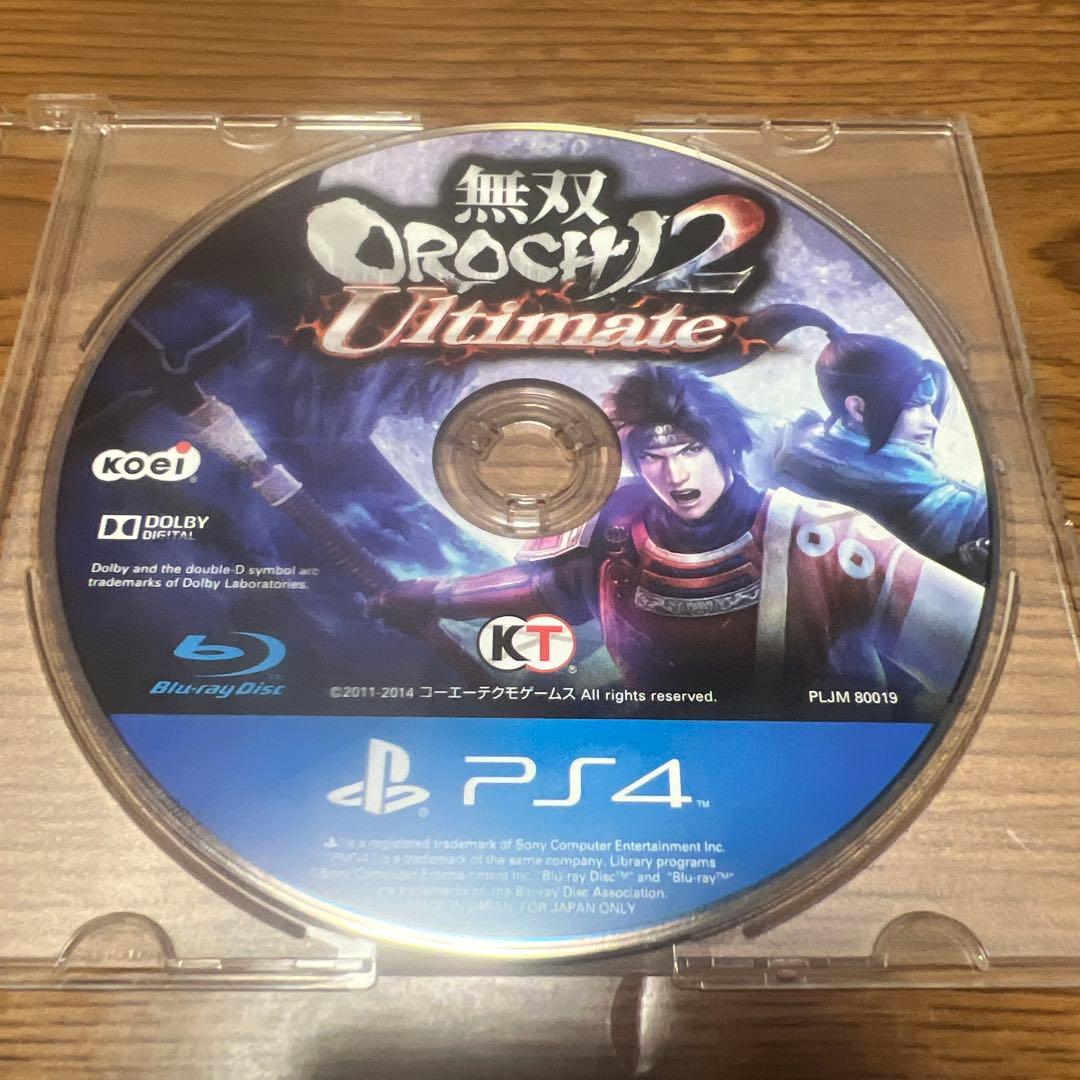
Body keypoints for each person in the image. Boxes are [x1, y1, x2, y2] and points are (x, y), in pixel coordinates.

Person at [371, 365, 985, 706]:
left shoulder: (826, 539)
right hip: (642, 747)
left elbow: (967, 651)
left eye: (691, 449)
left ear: (726, 447)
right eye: (655, 456)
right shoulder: (616, 525)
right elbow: (548, 589)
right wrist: (437, 597)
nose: (677, 475)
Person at [769, 319, 990, 581]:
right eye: (914, 406)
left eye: (928, 406)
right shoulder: (922, 500)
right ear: (857, 408)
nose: (931, 422)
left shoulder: (801, 448)